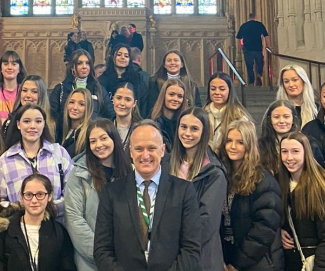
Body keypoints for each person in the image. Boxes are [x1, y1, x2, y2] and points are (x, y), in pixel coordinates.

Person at [93, 120, 201, 271]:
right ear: (131, 152)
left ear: (162, 150)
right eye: (139, 149)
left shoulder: (184, 191)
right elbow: (102, 250)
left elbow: (192, 249)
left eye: (151, 148)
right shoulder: (111, 193)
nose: (145, 155)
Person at [64, 119, 132, 271]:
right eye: (93, 141)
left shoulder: (129, 171)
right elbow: (74, 219)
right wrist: (104, 255)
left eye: (103, 138)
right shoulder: (79, 174)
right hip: (90, 262)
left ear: (114, 138)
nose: (99, 145)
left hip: (126, 261)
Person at [219, 120, 283, 271]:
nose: (233, 146)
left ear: (249, 145)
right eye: (229, 141)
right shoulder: (222, 175)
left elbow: (264, 227)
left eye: (240, 142)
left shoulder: (262, 180)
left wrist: (237, 264)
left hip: (260, 262)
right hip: (229, 256)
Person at [169, 108, 226, 271]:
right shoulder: (167, 164)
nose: (187, 133)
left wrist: (179, 245)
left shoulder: (214, 173)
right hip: (170, 256)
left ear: (204, 132)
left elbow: (207, 222)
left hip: (200, 258)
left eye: (194, 129)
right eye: (183, 127)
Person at [0, 173, 77, 271]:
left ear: (49, 196)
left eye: (40, 195)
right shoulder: (5, 230)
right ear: (22, 197)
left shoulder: (59, 232)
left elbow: (68, 267)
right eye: (29, 195)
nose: (34, 200)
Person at [0, 105, 73, 216]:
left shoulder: (60, 154)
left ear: (44, 124)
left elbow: (72, 194)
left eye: (38, 121)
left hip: (56, 225)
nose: (32, 126)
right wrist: (22, 209)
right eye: (26, 121)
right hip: (19, 228)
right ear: (18, 124)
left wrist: (48, 208)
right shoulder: (5, 161)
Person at [278, 132, 325, 271]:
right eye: (284, 152)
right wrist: (280, 230)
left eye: (295, 151)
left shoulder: (321, 186)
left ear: (306, 153)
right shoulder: (279, 182)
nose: (289, 157)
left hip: (316, 263)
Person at [51, 49, 113, 141]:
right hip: (64, 137)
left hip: (90, 137)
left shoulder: (98, 89)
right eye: (79, 63)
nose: (84, 67)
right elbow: (53, 116)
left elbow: (109, 114)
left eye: (87, 63)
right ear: (72, 67)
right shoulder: (61, 89)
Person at [203, 72, 253, 153]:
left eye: (222, 89)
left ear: (229, 91)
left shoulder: (239, 117)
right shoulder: (202, 114)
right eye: (213, 89)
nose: (217, 92)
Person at [147, 50, 202, 117]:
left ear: (182, 64)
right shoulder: (154, 82)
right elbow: (151, 104)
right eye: (169, 60)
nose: (172, 63)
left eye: (176, 60)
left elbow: (197, 106)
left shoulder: (191, 85)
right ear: (164, 64)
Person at [98, 45, 149, 116]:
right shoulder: (102, 80)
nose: (122, 58)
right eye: (119, 55)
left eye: (126, 56)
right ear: (113, 57)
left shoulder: (137, 79)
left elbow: (143, 102)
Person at [4, 75, 57, 141]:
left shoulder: (53, 120)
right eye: (25, 90)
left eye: (34, 91)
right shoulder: (12, 119)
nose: (28, 95)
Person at [0, 50, 28, 123]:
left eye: (14, 64)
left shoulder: (26, 92)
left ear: (19, 69)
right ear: (1, 69)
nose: (9, 67)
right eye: (5, 64)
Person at [259, 100, 300, 175]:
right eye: (276, 117)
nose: (281, 121)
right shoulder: (260, 146)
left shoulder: (304, 143)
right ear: (270, 120)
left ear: (293, 119)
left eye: (286, 117)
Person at [150, 79, 188, 149]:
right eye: (171, 94)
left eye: (180, 96)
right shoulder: (153, 121)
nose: (175, 99)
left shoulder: (186, 123)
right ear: (163, 95)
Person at [236, 13, 270, 85]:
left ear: (249, 17)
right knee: (260, 63)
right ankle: (259, 75)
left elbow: (239, 38)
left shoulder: (244, 26)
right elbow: (266, 36)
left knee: (249, 66)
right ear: (255, 17)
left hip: (247, 49)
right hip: (258, 48)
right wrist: (268, 46)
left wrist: (241, 46)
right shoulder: (259, 25)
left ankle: (251, 81)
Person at [61, 88, 94, 157]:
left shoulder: (89, 133)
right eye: (72, 102)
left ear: (88, 108)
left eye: (81, 104)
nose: (75, 107)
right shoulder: (61, 128)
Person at [112, 82, 141, 149]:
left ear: (134, 103)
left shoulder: (141, 128)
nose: (122, 103)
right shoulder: (105, 127)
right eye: (119, 98)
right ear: (113, 100)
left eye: (127, 99)